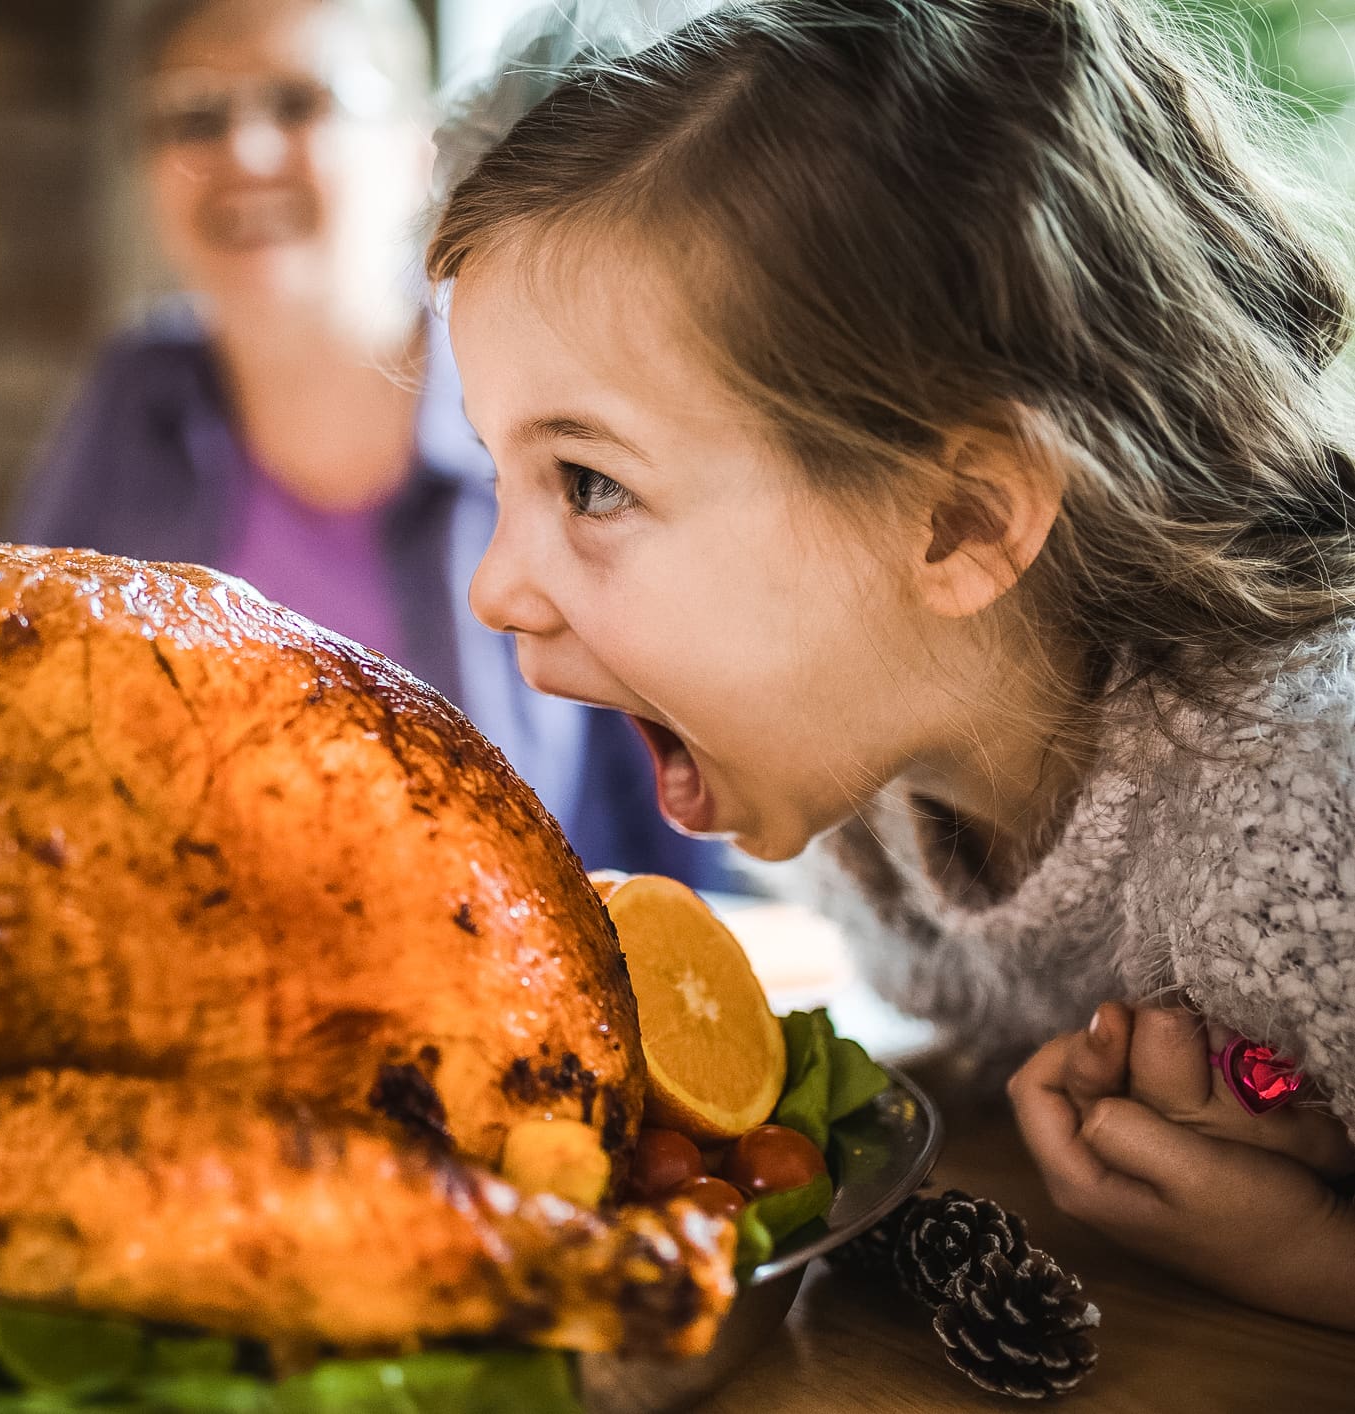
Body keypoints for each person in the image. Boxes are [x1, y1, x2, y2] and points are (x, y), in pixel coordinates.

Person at [429, 0, 1355, 1324]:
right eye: (497, 470)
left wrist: (1312, 1255)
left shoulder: (1317, 801)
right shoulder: (853, 810)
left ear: (961, 521)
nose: (493, 586)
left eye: (588, 480)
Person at [11, 0, 729, 884]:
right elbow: (25, 718)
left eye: (299, 101)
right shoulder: (132, 396)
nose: (243, 151)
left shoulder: (552, 400)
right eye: (194, 116)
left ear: (416, 151)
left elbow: (695, 828)